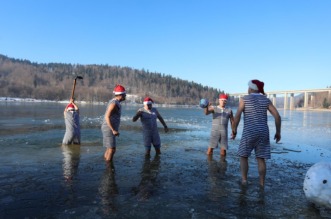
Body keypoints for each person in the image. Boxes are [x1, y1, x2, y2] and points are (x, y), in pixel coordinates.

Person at [231, 79, 281, 187]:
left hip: (249, 131)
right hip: (263, 132)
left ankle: (244, 180)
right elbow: (277, 116)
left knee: (243, 156)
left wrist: (234, 129)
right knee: (261, 158)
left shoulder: (244, 99)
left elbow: (238, 115)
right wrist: (278, 132)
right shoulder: (266, 100)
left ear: (250, 88)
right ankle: (262, 184)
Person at [101, 84, 126, 162]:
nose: (125, 96)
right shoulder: (114, 103)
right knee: (112, 149)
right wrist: (113, 130)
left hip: (109, 128)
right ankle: (108, 168)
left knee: (109, 148)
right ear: (121, 95)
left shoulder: (116, 102)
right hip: (108, 128)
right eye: (124, 94)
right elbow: (107, 116)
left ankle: (106, 162)